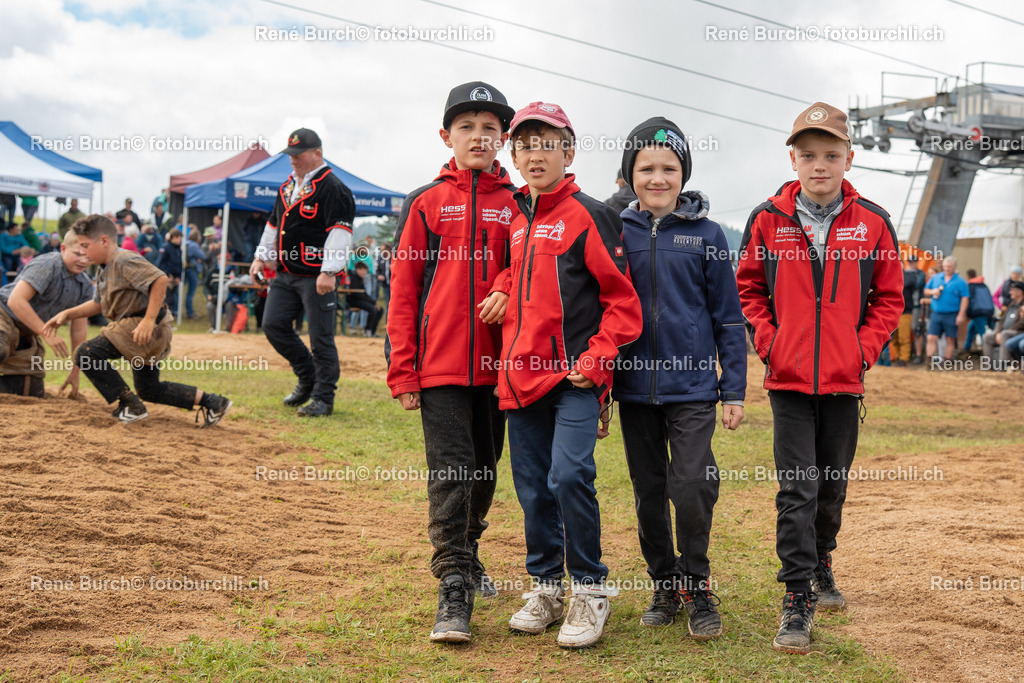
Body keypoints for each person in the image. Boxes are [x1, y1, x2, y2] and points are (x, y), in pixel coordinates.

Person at [736, 102, 902, 654]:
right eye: (808, 155)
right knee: (796, 489)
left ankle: (822, 559)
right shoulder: (766, 219)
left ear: (849, 158)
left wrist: (860, 351)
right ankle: (797, 597)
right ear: (793, 158)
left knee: (830, 487)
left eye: (831, 155)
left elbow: (889, 299)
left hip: (842, 381)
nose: (820, 165)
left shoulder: (874, 222)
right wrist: (770, 342)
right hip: (787, 382)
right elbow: (749, 290)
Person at [498, 101, 642, 649]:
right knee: (533, 489)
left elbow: (623, 301)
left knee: (568, 476)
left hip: (573, 381)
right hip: (517, 380)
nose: (536, 154)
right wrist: (503, 287)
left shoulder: (590, 213)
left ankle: (589, 589)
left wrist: (596, 359)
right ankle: (546, 586)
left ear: (569, 151)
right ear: (514, 155)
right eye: (526, 144)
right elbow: (525, 269)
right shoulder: (517, 217)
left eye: (547, 143)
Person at [385, 80, 517, 644]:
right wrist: (403, 368)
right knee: (452, 470)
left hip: (503, 367)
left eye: (491, 128)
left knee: (485, 470)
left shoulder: (518, 204)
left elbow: (533, 264)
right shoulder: (426, 202)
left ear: (504, 138)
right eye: (467, 127)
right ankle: (453, 583)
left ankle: (471, 547)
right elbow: (404, 291)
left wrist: (509, 284)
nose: (479, 136)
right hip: (438, 366)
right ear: (447, 135)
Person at [614, 117, 747, 638]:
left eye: (669, 168)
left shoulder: (708, 235)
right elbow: (599, 310)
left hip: (692, 389)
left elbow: (728, 318)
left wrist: (732, 387)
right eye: (646, 168)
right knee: (648, 491)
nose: (657, 178)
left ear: (683, 173)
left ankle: (697, 581)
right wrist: (603, 388)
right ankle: (663, 582)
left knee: (691, 485)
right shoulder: (615, 230)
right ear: (630, 174)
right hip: (631, 388)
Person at [47, 214, 231, 425]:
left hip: (143, 327)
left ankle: (130, 405)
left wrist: (148, 320)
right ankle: (214, 402)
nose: (82, 251)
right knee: (149, 390)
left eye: (86, 245)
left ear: (104, 241)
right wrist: (67, 314)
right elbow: (98, 304)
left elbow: (159, 280)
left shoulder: (124, 259)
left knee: (86, 353)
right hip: (140, 329)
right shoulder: (103, 268)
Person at [250, 128, 355, 417]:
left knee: (321, 337)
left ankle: (323, 397)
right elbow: (273, 225)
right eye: (291, 155)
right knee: (273, 324)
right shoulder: (286, 187)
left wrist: (330, 271)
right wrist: (261, 257)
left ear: (317, 154)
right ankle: (307, 376)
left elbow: (340, 232)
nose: (293, 160)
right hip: (285, 273)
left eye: (299, 155)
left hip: (316, 275)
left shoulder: (333, 187)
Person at [0, 231, 93, 397]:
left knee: (30, 390)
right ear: (63, 248)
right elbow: (16, 301)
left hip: (27, 330)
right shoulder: (48, 264)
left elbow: (78, 330)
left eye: (88, 256)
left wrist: (75, 370)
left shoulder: (84, 286)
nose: (83, 260)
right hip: (4, 314)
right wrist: (46, 333)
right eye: (77, 254)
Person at [923, 256, 969, 367]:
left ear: (954, 267)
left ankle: (946, 362)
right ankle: (929, 361)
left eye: (949, 266)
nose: (947, 268)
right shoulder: (936, 278)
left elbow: (965, 298)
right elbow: (925, 290)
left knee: (950, 338)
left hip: (952, 314)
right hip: (936, 313)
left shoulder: (960, 281)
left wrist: (961, 314)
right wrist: (932, 291)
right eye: (945, 266)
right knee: (931, 337)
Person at [892, 254, 925, 366]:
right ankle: (897, 356)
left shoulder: (910, 275)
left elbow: (907, 283)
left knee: (904, 336)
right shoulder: (893, 275)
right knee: (894, 336)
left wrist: (899, 274)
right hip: (893, 311)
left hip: (906, 310)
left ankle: (904, 358)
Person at [982, 281, 1024, 369]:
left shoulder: (1022, 305)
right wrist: (998, 332)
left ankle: (1003, 366)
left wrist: (1005, 332)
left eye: (1012, 290)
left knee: (1005, 335)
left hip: (1017, 332)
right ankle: (988, 366)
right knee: (986, 337)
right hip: (1004, 332)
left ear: (1019, 292)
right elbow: (1002, 320)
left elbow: (1022, 322)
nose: (1010, 292)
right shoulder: (1011, 304)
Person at [345, 261, 383, 337]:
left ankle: (372, 331)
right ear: (359, 269)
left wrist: (374, 302)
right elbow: (357, 294)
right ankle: (367, 330)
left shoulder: (359, 277)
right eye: (364, 270)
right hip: (353, 301)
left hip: (360, 300)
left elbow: (363, 293)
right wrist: (372, 302)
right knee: (372, 309)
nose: (365, 273)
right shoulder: (352, 277)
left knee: (380, 309)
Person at [964, 269, 994, 352]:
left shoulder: (970, 286)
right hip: (987, 310)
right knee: (971, 328)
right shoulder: (983, 285)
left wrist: (968, 313)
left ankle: (988, 352)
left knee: (982, 333)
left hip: (978, 312)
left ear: (968, 276)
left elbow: (970, 301)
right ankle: (967, 347)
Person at [156, 229, 184, 313]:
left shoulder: (178, 248)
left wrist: (178, 276)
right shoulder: (165, 247)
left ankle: (172, 313)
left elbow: (179, 263)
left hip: (175, 277)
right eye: (179, 238)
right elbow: (160, 263)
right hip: (167, 277)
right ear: (174, 237)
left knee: (173, 296)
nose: (180, 241)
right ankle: (164, 315)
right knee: (167, 298)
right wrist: (166, 275)